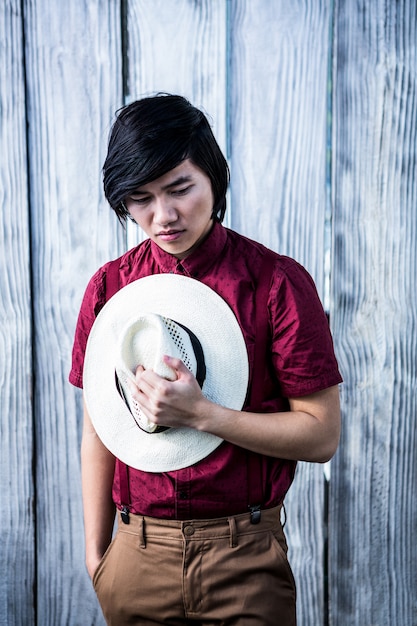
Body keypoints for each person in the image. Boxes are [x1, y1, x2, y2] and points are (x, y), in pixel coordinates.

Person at [69, 93, 342, 625]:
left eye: (180, 189)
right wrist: (98, 555)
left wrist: (202, 415)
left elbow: (321, 435)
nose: (163, 216)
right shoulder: (109, 288)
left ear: (213, 179)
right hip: (136, 554)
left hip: (244, 557)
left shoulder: (277, 283)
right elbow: (98, 430)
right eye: (140, 198)